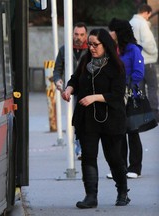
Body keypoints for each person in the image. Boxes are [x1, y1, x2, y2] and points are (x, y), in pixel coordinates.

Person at [62, 28, 130, 208]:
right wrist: (69, 89)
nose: (91, 48)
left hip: (111, 119)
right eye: (89, 44)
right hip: (87, 119)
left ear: (105, 45)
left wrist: (95, 97)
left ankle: (122, 191)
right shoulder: (86, 60)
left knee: (114, 157)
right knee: (88, 157)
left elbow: (117, 94)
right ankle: (91, 196)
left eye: (95, 44)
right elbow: (75, 79)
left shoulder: (116, 66)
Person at [108, 18, 145, 180]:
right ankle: (120, 167)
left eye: (112, 30)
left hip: (130, 96)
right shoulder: (112, 49)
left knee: (132, 132)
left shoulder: (133, 50)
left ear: (119, 32)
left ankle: (135, 167)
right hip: (115, 97)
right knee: (118, 133)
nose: (109, 33)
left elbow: (139, 73)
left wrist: (125, 83)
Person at [53, 22, 89, 160]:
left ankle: (87, 147)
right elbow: (57, 70)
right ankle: (80, 148)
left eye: (81, 34)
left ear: (86, 35)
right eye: (76, 34)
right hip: (73, 89)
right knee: (78, 120)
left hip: (89, 89)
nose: (78, 37)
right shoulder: (65, 50)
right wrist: (58, 81)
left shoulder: (92, 50)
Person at [130, 3, 159, 122]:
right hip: (147, 61)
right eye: (149, 16)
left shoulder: (131, 23)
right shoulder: (142, 23)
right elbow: (148, 43)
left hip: (135, 63)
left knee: (138, 89)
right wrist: (154, 52)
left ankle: (140, 116)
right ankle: (154, 115)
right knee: (152, 88)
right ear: (146, 13)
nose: (148, 18)